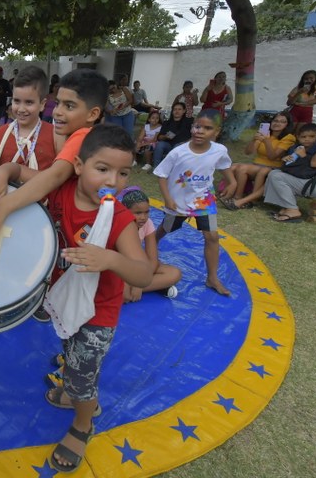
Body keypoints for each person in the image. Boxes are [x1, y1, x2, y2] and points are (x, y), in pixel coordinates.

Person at [38, 125, 152, 472]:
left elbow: (143, 274)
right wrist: (2, 174)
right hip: (66, 299)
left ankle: (83, 423)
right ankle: (74, 389)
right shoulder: (61, 191)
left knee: (83, 375)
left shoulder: (119, 218)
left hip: (98, 314)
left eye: (123, 173)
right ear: (78, 165)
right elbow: (19, 176)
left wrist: (112, 260)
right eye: (102, 169)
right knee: (70, 353)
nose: (113, 181)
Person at [0, 68, 110, 240]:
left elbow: (54, 177)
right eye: (58, 103)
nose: (57, 112)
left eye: (69, 106)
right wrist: (8, 170)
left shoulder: (80, 137)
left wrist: (2, 206)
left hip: (78, 227)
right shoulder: (3, 134)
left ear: (93, 113)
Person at [153, 109, 236, 296]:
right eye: (197, 126)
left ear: (216, 132)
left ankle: (212, 277)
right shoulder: (178, 152)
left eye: (207, 128)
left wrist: (232, 181)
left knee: (212, 237)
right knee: (164, 229)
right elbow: (161, 175)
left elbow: (224, 165)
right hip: (178, 202)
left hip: (204, 201)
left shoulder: (219, 150)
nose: (200, 131)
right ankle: (150, 248)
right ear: (192, 127)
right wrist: (168, 198)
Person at [0, 65, 63, 180]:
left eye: (29, 102)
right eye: (16, 101)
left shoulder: (55, 136)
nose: (21, 109)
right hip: (7, 196)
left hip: (43, 197)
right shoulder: (1, 134)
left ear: (42, 104)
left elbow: (60, 176)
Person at [220, 111, 296, 210]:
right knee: (233, 167)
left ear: (287, 125)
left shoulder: (289, 138)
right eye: (275, 120)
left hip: (273, 167)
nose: (277, 123)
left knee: (242, 168)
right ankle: (228, 193)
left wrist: (267, 141)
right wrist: (254, 140)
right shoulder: (265, 133)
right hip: (257, 165)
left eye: (282, 122)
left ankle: (238, 197)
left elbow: (272, 156)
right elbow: (248, 152)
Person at [119, 187, 182, 302]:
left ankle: (136, 289)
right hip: (119, 268)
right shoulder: (118, 225)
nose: (143, 217)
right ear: (125, 211)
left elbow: (152, 259)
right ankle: (155, 288)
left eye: (146, 212)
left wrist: (139, 283)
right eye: (138, 213)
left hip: (137, 266)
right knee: (123, 295)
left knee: (174, 273)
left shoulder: (148, 223)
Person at [152, 101, 193, 169]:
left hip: (183, 145)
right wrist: (165, 137)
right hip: (169, 145)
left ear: (184, 111)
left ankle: (170, 169)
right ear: (172, 111)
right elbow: (159, 137)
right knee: (160, 144)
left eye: (179, 109)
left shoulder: (189, 121)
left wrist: (186, 143)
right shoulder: (167, 123)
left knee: (177, 146)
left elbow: (194, 135)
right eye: (175, 109)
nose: (177, 111)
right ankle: (156, 167)